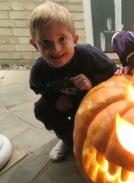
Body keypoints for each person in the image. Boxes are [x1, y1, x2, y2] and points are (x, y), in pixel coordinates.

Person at [29, 1, 117, 162]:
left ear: (74, 39)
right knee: (41, 109)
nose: (56, 48)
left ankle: (91, 138)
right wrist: (55, 101)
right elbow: (40, 89)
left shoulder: (88, 55)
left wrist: (92, 83)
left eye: (62, 39)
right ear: (35, 44)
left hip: (89, 100)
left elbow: (112, 73)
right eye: (46, 42)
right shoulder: (38, 71)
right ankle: (66, 138)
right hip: (63, 103)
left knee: (90, 123)